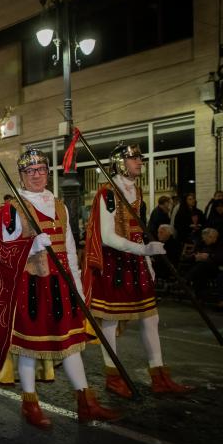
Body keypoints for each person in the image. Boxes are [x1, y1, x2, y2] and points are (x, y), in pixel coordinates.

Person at [0, 147, 119, 429]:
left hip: (62, 285)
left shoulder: (59, 205)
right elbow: (2, 252)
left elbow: (70, 247)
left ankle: (86, 401)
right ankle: (30, 403)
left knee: (71, 343)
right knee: (28, 347)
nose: (37, 176)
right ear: (21, 177)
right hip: (31, 286)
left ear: (48, 173)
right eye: (30, 171)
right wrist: (31, 245)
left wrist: (77, 283)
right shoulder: (12, 208)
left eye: (41, 170)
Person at [83, 142, 192, 396]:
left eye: (140, 158)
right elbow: (107, 236)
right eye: (134, 158)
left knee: (150, 317)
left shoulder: (137, 191)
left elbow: (138, 232)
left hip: (135, 261)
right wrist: (144, 251)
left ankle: (159, 374)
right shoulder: (107, 194)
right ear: (120, 163)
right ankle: (113, 375)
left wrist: (147, 259)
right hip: (113, 263)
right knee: (110, 320)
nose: (140, 162)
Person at [184, 228, 223, 296]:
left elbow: (221, 258)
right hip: (200, 268)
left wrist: (208, 256)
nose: (204, 240)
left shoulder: (221, 244)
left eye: (206, 238)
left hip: (215, 269)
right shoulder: (201, 243)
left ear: (212, 237)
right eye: (204, 238)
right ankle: (199, 296)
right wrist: (196, 257)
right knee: (201, 271)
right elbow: (194, 254)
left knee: (203, 265)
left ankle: (185, 280)